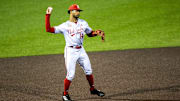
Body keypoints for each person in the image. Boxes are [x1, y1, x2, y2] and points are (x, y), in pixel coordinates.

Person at [45, 4, 105, 101]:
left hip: (81, 50)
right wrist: (47, 15)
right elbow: (48, 29)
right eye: (76, 11)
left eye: (79, 11)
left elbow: (90, 33)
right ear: (71, 12)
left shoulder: (83, 23)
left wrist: (96, 33)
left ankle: (92, 89)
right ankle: (65, 94)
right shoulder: (65, 26)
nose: (78, 12)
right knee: (71, 74)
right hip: (70, 51)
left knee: (89, 70)